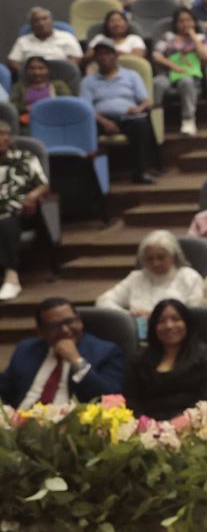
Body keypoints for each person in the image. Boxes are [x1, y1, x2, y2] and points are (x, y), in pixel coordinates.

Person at [1, 297, 126, 408]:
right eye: (54, 326)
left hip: (69, 427)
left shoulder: (105, 351)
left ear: (80, 321)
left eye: (69, 321)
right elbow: (4, 389)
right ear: (40, 332)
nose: (65, 330)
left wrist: (77, 361)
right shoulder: (26, 349)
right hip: (19, 424)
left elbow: (110, 396)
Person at [123, 298, 207, 420]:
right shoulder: (139, 360)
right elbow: (131, 400)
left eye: (176, 319)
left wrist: (179, 424)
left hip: (194, 427)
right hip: (148, 429)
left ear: (187, 323)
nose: (169, 325)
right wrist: (146, 425)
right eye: (161, 321)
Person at [81, 36, 159, 183]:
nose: (103, 57)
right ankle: (92, 178)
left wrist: (138, 109)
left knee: (141, 124)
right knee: (85, 125)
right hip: (99, 120)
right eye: (100, 54)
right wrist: (104, 122)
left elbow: (146, 101)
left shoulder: (131, 76)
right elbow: (85, 107)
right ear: (95, 58)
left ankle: (141, 172)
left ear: (115, 56)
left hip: (127, 118)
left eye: (107, 53)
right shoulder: (88, 81)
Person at [97, 230, 206, 320]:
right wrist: (129, 316)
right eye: (149, 259)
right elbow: (103, 301)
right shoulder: (136, 278)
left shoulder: (190, 277)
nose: (155, 263)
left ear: (173, 256)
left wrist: (157, 318)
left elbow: (194, 314)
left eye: (161, 257)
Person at [0, 119, 49, 302]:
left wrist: (32, 197)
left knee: (5, 223)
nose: (1, 139)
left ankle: (11, 277)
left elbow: (43, 185)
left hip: (20, 210)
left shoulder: (25, 158)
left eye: (4, 135)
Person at [152, 8, 207, 136]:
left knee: (186, 82)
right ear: (176, 24)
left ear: (194, 22)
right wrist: (173, 66)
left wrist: (193, 37)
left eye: (188, 20)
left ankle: (188, 120)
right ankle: (155, 121)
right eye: (181, 21)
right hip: (168, 74)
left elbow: (206, 57)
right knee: (157, 83)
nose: (185, 24)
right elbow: (156, 55)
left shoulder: (200, 38)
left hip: (189, 75)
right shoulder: (168, 37)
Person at [9, 7, 83, 71]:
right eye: (36, 20)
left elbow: (76, 57)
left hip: (61, 75)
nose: (41, 23)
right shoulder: (23, 41)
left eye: (45, 19)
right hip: (32, 78)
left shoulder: (67, 37)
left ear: (52, 20)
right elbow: (13, 61)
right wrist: (25, 73)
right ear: (31, 24)